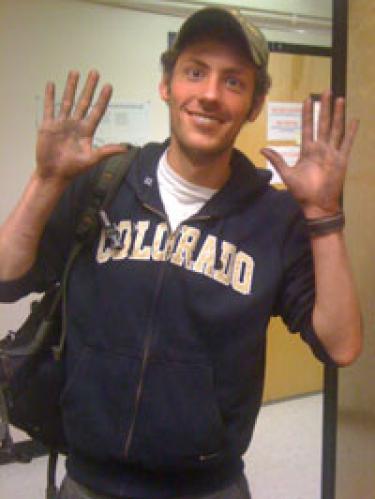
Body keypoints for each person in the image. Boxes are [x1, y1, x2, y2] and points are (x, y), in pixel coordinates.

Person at [0, 6, 362, 499]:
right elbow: (6, 279)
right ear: (167, 85)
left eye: (234, 82)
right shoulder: (103, 185)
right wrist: (46, 181)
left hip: (208, 487)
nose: (210, 94)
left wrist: (322, 215)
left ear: (254, 105)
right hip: (88, 480)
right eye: (195, 72)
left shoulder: (274, 220)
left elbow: (340, 345)